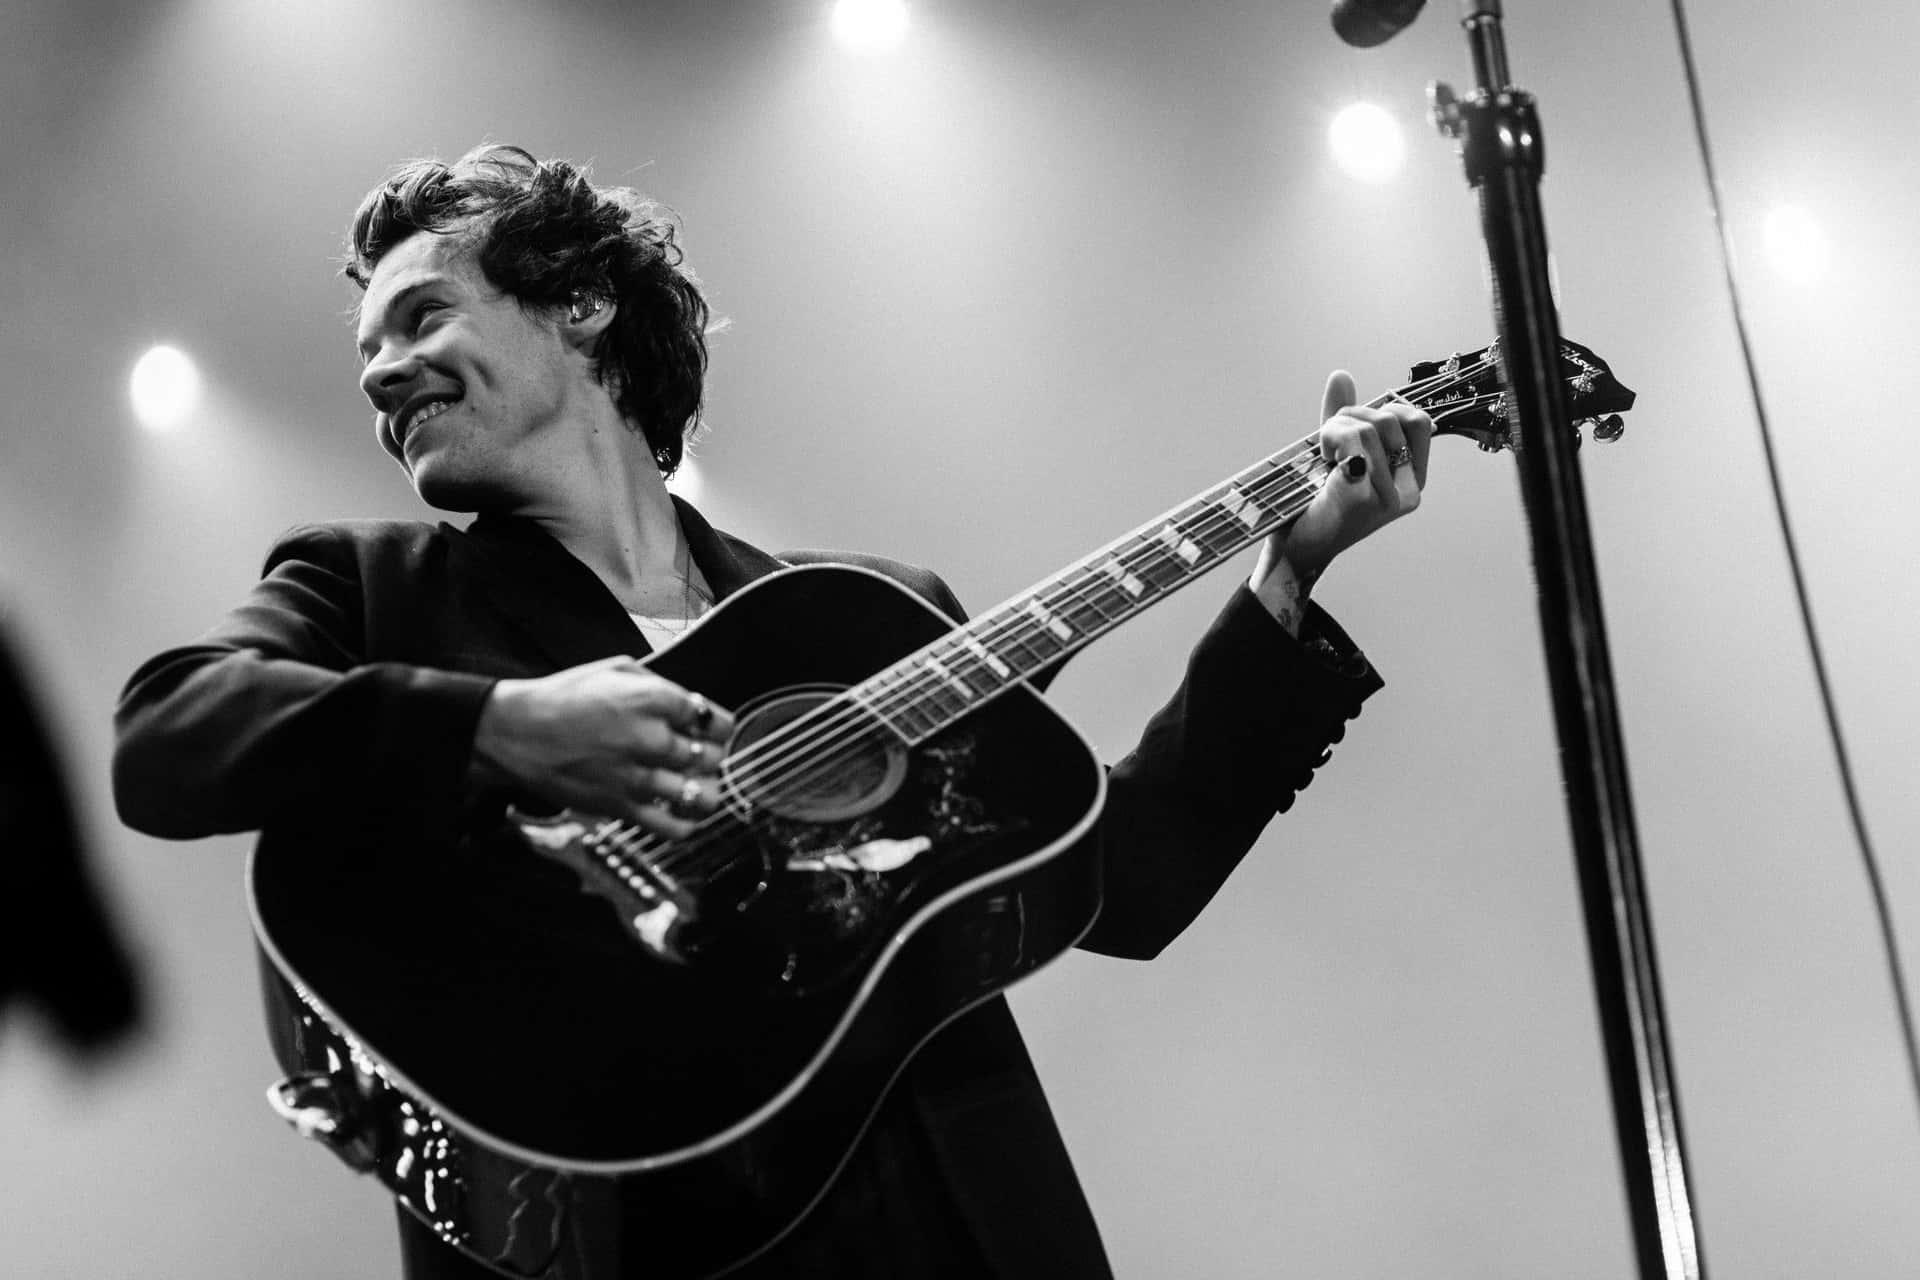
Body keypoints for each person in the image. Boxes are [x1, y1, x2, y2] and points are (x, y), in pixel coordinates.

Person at [112, 144, 1431, 1278]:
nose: (379, 373)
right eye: (367, 351)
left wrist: (1290, 572)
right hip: (636, 1240)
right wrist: (495, 727)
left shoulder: (862, 616)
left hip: (950, 1229)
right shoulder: (373, 589)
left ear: (575, 299)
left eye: (418, 318)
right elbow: (171, 734)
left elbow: (1127, 884)